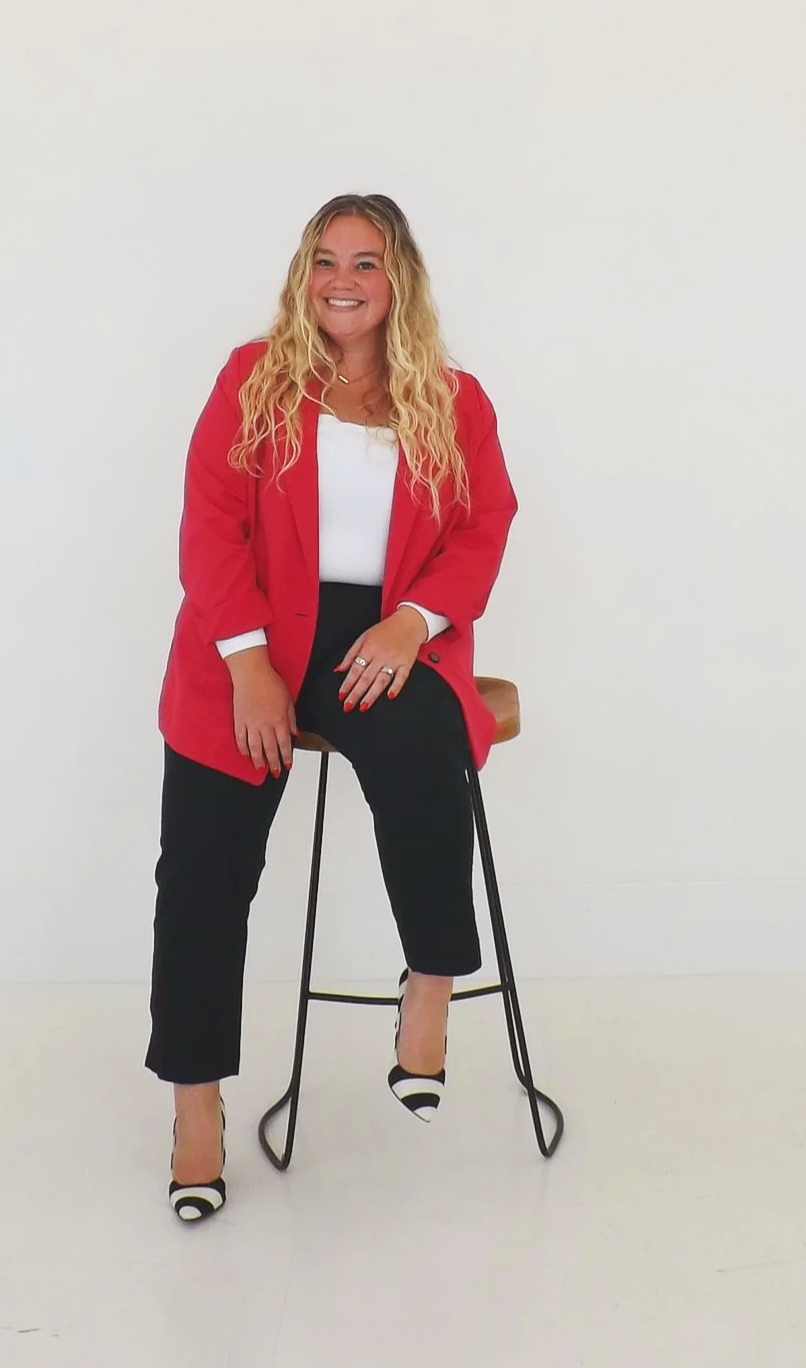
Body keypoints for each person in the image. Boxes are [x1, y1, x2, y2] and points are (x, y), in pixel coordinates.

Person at [147, 193, 518, 1222]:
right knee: (204, 874)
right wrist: (249, 662)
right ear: (302, 274)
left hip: (381, 635)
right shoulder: (252, 378)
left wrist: (415, 622)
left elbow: (484, 526)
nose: (341, 280)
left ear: (398, 278)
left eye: (364, 261)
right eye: (324, 259)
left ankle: (429, 992)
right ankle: (195, 1108)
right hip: (252, 634)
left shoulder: (453, 398)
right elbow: (210, 525)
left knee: (423, 756)